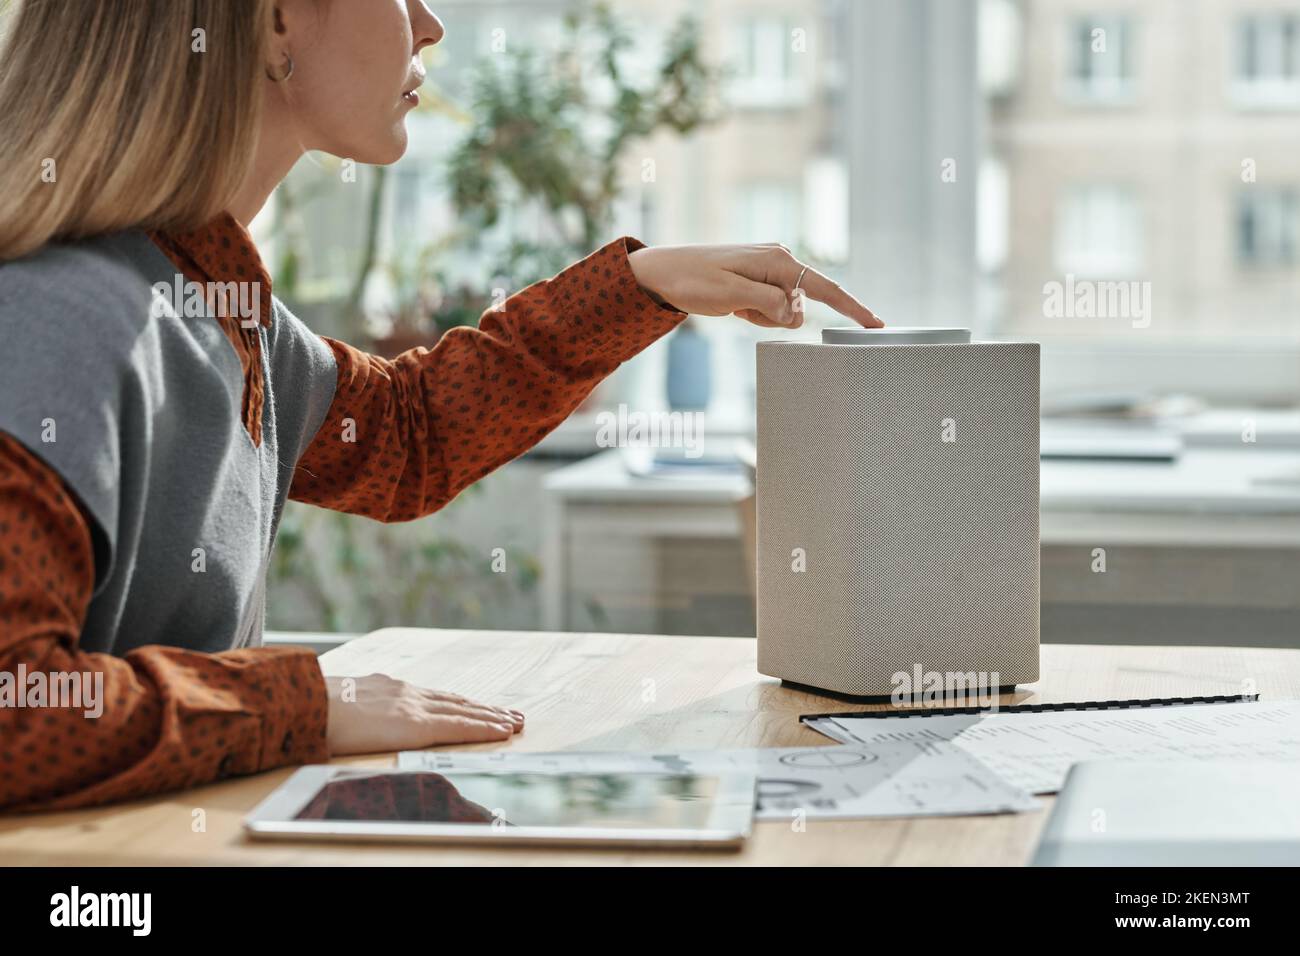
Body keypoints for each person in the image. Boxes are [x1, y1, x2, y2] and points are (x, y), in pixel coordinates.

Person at [0, 0, 879, 812]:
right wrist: (305, 701)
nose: (430, 23)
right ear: (273, 23)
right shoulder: (57, 319)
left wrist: (642, 285)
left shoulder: (213, 306)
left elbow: (408, 434)